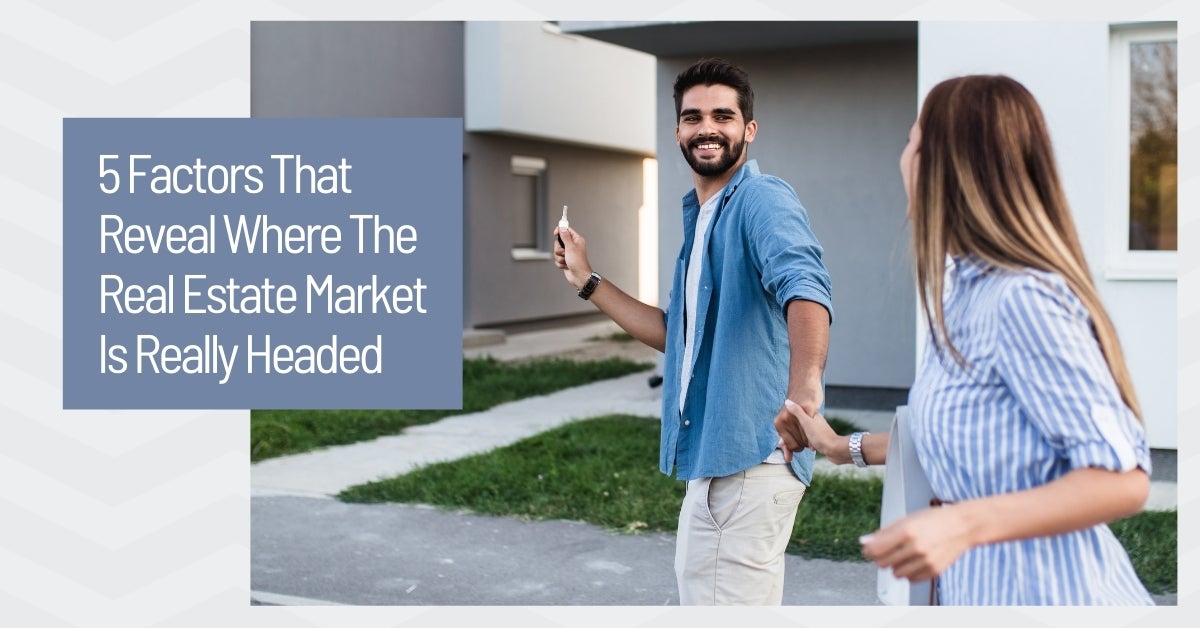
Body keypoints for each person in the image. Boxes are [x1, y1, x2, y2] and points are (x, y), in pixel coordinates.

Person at [775, 74, 1154, 605]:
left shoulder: (1020, 299)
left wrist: (963, 525)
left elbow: (1123, 478)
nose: (903, 159)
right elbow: (973, 441)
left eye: (911, 142)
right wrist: (840, 447)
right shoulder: (962, 294)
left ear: (938, 162)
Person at [553, 58, 833, 605]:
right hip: (717, 460)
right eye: (692, 117)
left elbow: (806, 288)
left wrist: (805, 391)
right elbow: (675, 332)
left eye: (723, 116)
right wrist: (586, 279)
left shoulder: (760, 199)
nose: (707, 128)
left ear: (748, 130)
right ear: (678, 131)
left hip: (752, 460)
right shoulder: (703, 217)